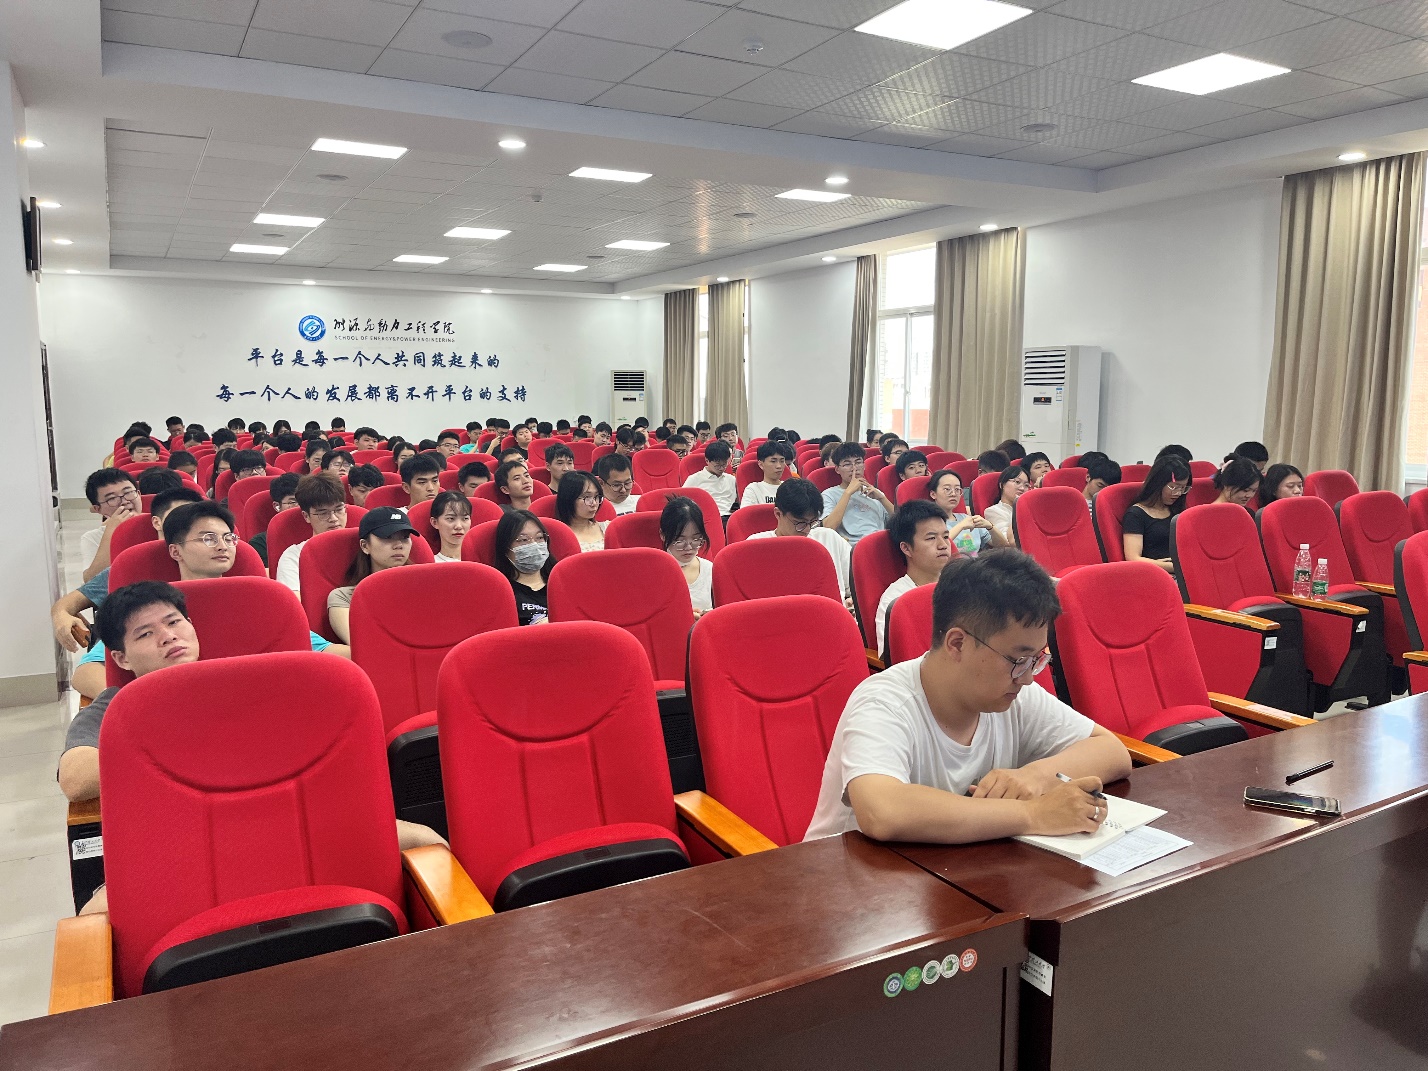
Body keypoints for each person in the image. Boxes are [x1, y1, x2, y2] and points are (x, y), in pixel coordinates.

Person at [803, 550, 1132, 842]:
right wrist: (1033, 815)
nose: (1029, 677)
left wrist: (1034, 776)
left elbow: (1112, 751)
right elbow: (881, 811)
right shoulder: (884, 702)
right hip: (847, 879)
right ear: (957, 643)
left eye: (1036, 659)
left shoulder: (1012, 693)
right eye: (1019, 659)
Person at [749, 478, 853, 605]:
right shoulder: (756, 545)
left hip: (831, 611)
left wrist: (852, 601)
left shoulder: (829, 538)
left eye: (812, 522)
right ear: (778, 514)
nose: (807, 530)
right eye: (800, 523)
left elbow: (855, 587)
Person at [327, 508, 418, 644]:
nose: (399, 545)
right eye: (388, 537)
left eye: (405, 537)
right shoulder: (344, 597)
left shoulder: (423, 588)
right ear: (365, 546)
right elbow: (363, 645)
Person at [875, 500, 953, 655]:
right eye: (931, 538)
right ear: (906, 548)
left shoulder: (961, 585)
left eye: (945, 536)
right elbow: (893, 659)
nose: (943, 545)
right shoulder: (896, 600)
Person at [277, 473, 348, 595]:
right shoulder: (295, 556)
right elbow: (295, 603)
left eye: (339, 509)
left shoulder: (363, 546)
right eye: (323, 513)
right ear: (306, 516)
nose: (334, 518)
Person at [1123, 455, 1191, 573]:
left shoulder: (1176, 510)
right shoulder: (1136, 514)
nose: (1178, 493)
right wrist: (1178, 567)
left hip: (1179, 570)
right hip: (1154, 573)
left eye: (1183, 488)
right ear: (1158, 483)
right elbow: (1133, 558)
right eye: (1174, 487)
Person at [821, 442, 892, 547]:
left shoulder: (875, 493)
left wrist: (882, 498)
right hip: (853, 547)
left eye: (858, 462)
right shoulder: (829, 495)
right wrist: (848, 493)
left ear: (864, 465)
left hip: (881, 544)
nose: (854, 468)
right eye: (847, 464)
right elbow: (828, 528)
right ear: (837, 469)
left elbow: (901, 524)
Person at [494, 509, 554, 625]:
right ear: (505, 547)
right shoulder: (501, 592)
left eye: (539, 538)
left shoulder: (562, 580)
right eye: (523, 540)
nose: (534, 545)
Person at [928, 470, 1008, 557]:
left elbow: (1003, 547)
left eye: (957, 489)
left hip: (976, 564)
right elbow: (935, 549)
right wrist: (960, 526)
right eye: (947, 489)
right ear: (933, 494)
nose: (953, 494)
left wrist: (990, 527)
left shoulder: (968, 519)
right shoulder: (928, 524)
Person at [81, 468, 140, 582]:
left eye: (128, 493)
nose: (124, 501)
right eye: (112, 498)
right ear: (98, 509)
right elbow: (91, 581)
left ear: (139, 494)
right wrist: (111, 531)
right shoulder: (92, 537)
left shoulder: (159, 524)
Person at [661, 496, 713, 616]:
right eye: (680, 540)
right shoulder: (656, 574)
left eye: (696, 539)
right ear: (663, 535)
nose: (688, 547)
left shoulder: (710, 569)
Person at [249, 472, 299, 566]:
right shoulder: (261, 542)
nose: (300, 507)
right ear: (277, 506)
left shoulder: (319, 532)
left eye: (303, 501)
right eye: (292, 502)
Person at [556, 471, 608, 551]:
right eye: (587, 497)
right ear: (569, 499)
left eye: (596, 496)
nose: (594, 503)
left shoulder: (608, 528)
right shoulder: (559, 537)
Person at [682, 439, 735, 516]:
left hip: (729, 516)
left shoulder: (732, 480)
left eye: (724, 465)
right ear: (707, 460)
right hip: (706, 517)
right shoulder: (694, 479)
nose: (721, 468)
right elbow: (683, 502)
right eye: (717, 466)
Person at [983, 465, 1030, 545]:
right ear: (1002, 485)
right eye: (1017, 482)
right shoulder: (993, 511)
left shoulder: (1029, 510)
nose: (1022, 488)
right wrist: (1018, 508)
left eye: (1026, 485)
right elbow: (1007, 543)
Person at [426, 491, 472, 562]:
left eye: (465, 518)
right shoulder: (431, 564)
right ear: (434, 522)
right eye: (451, 518)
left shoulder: (481, 562)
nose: (459, 526)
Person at [740, 441, 788, 508]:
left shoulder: (789, 488)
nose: (779, 466)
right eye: (773, 461)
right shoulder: (753, 489)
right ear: (761, 464)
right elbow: (746, 513)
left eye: (782, 461)